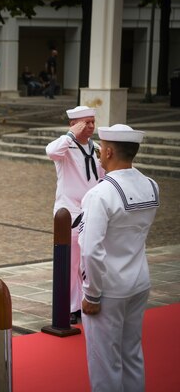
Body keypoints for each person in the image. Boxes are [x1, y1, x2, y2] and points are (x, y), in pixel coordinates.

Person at [79, 124, 159, 392]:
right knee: (132, 353)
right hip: (138, 280)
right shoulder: (151, 185)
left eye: (102, 147)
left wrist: (91, 293)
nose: (99, 152)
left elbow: (91, 249)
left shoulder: (100, 193)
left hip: (109, 288)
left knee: (105, 361)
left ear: (110, 151)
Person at [46, 105, 104, 324]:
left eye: (92, 122)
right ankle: (71, 306)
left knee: (88, 257)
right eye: (85, 123)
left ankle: (86, 298)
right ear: (74, 124)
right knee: (70, 262)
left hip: (93, 210)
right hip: (68, 212)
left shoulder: (97, 148)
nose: (90, 127)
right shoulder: (65, 147)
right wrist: (71, 135)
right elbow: (51, 151)